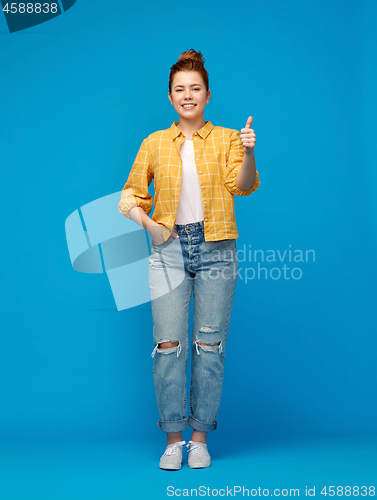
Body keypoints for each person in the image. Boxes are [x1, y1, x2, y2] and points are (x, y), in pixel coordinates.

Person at [118, 49, 260, 470]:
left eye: (194, 88)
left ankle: (200, 438)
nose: (187, 95)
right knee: (168, 347)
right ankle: (173, 439)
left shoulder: (230, 138)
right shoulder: (154, 142)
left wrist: (250, 151)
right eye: (180, 89)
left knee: (210, 347)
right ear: (170, 97)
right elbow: (129, 194)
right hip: (168, 251)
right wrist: (150, 224)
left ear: (208, 95)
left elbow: (245, 186)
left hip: (217, 249)